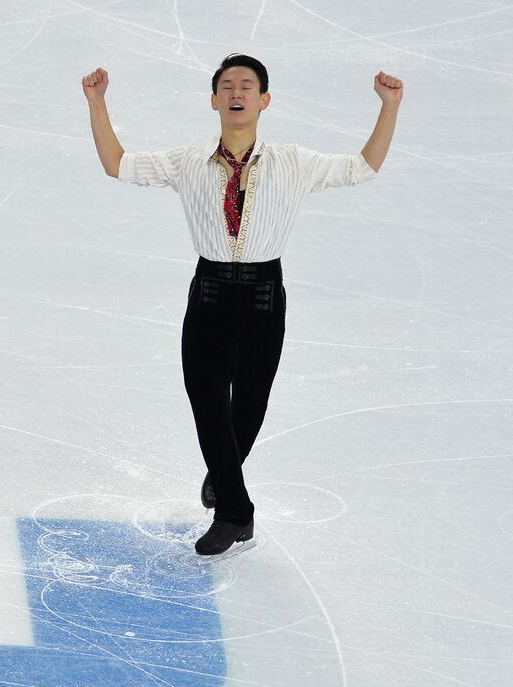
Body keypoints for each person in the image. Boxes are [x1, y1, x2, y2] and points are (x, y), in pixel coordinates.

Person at [81, 54, 403, 555]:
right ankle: (236, 511)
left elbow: (364, 167)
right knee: (207, 403)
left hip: (262, 299)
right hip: (208, 294)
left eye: (247, 85)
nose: (236, 92)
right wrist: (98, 105)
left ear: (264, 99)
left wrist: (390, 106)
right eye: (227, 85)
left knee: (247, 407)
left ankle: (222, 475)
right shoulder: (189, 160)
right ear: (214, 100)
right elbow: (116, 164)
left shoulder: (293, 161)